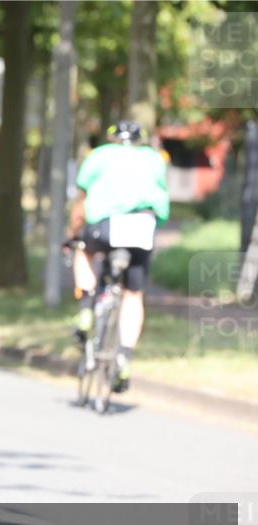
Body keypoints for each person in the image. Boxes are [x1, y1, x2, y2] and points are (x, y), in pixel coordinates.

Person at [66, 120, 169, 392]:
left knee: (83, 251)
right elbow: (161, 198)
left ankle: (85, 310)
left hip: (105, 224)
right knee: (133, 295)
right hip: (142, 226)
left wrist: (73, 233)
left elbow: (81, 199)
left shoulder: (99, 155)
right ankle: (124, 356)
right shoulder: (154, 159)